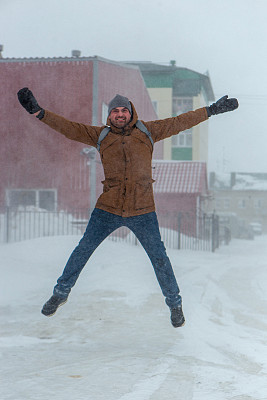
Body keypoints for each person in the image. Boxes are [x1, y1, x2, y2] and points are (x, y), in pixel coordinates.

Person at [17, 88, 238, 327]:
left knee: (159, 258)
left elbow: (179, 122)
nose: (120, 114)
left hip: (142, 209)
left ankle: (174, 304)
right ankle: (60, 294)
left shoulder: (148, 131)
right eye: (115, 111)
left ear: (131, 112)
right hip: (108, 209)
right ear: (109, 115)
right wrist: (39, 113)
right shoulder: (100, 136)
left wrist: (211, 110)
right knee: (83, 250)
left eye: (124, 110)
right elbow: (69, 128)